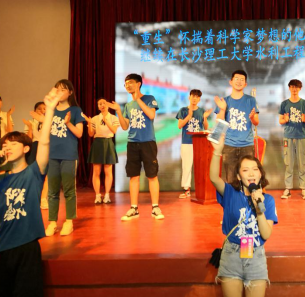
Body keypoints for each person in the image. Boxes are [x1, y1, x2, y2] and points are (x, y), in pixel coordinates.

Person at [0, 87, 60, 297]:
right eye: (5, 145)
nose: (7, 147)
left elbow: (45, 142)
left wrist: (50, 109)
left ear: (26, 149)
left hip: (27, 247)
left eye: (13, 144)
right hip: (2, 249)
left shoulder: (34, 173)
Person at [209, 134, 277, 297]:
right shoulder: (230, 193)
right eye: (245, 170)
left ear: (260, 173)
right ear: (239, 177)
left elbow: (266, 234)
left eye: (255, 169)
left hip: (256, 257)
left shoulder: (267, 200)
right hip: (232, 256)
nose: (251, 173)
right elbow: (213, 178)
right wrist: (217, 152)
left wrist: (259, 209)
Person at [109, 73, 164, 221]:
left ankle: (155, 207)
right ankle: (134, 208)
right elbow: (125, 126)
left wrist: (138, 99)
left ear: (139, 84)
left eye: (130, 83)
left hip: (148, 142)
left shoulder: (149, 99)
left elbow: (151, 115)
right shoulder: (128, 105)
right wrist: (119, 111)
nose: (127, 85)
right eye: (126, 84)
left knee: (152, 175)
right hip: (132, 143)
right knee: (134, 176)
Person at [46, 79, 85, 237]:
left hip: (68, 155)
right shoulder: (51, 110)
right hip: (52, 155)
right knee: (52, 191)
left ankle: (69, 221)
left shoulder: (75, 110)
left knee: (69, 190)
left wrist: (68, 123)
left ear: (70, 92)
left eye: (63, 90)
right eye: (57, 89)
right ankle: (52, 222)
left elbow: (79, 133)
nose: (60, 92)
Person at [214, 70, 259, 183]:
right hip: (229, 146)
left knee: (248, 179)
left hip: (247, 145)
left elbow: (256, 122)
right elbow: (219, 125)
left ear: (245, 84)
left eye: (242, 80)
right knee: (231, 180)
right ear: (231, 82)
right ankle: (233, 196)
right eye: (237, 79)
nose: (239, 82)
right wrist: (222, 109)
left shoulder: (251, 100)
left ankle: (247, 195)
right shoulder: (224, 101)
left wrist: (252, 118)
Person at [278, 79, 305, 200]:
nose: (294, 89)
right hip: (288, 136)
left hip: (301, 136)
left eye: (296, 87)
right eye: (292, 87)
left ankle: (303, 189)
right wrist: (285, 120)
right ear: (289, 88)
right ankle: (288, 188)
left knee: (302, 163)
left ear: (300, 88)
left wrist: (304, 119)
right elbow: (280, 120)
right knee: (288, 163)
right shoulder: (284, 104)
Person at [82, 97, 120, 205]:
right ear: (98, 107)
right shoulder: (94, 118)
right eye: (100, 104)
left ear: (107, 105)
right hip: (97, 143)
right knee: (96, 171)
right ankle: (97, 195)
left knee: (108, 171)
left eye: (104, 103)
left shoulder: (113, 118)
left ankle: (107, 195)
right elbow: (91, 134)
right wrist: (89, 123)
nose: (102, 105)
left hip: (108, 143)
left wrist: (106, 121)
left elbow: (114, 130)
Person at [175, 89, 211, 198]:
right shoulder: (183, 110)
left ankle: (202, 189)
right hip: (187, 142)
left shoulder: (201, 111)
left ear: (199, 99)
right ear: (189, 97)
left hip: (199, 143)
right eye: (193, 96)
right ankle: (187, 190)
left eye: (197, 97)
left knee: (201, 166)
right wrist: (189, 116)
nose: (194, 98)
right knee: (186, 166)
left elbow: (206, 127)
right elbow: (180, 125)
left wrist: (205, 118)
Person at [23, 101, 49, 210]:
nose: (42, 111)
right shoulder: (30, 122)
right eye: (39, 109)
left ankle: (43, 199)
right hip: (34, 147)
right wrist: (30, 127)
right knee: (33, 173)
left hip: (46, 146)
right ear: (35, 111)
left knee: (46, 174)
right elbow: (28, 139)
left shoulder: (48, 121)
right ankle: (32, 198)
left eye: (44, 108)